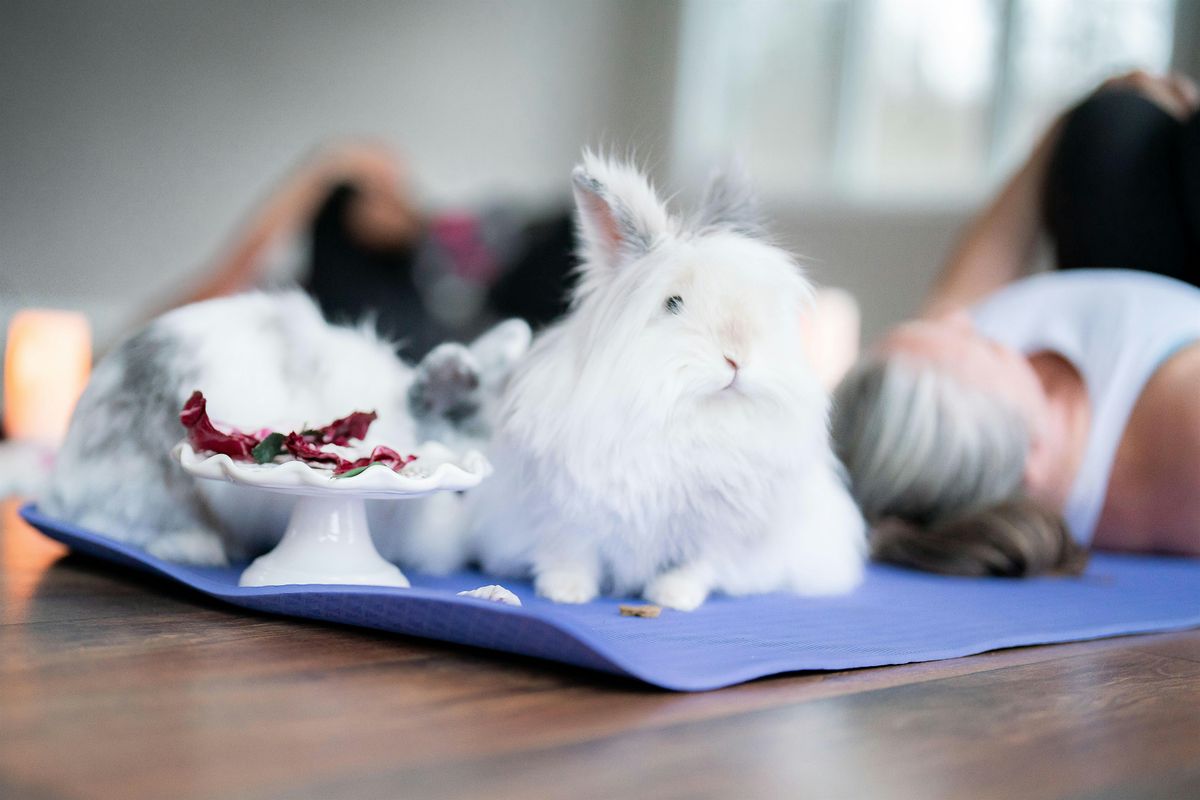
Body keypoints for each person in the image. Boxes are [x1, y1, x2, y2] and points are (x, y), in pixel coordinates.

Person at [831, 71, 1200, 577]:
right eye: (974, 344)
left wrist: (1056, 134)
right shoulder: (1178, 434)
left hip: (1140, 213)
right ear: (1032, 456)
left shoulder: (958, 410)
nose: (960, 321)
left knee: (1106, 126)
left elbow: (956, 295)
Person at [173, 141, 577, 360]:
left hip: (522, 302)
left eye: (401, 188)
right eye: (380, 190)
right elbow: (231, 274)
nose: (401, 198)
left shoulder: (434, 249)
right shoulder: (308, 297)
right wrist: (319, 173)